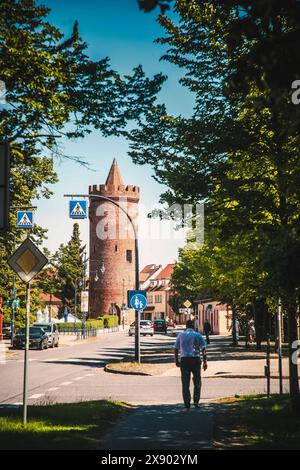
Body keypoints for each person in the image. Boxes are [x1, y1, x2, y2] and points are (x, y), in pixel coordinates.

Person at [174, 319, 208, 409]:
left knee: (185, 382)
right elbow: (204, 349)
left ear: (186, 326)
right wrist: (205, 362)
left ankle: (187, 403)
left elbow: (176, 348)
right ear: (193, 326)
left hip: (184, 360)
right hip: (195, 360)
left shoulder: (181, 335)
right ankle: (196, 401)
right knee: (197, 381)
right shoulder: (198, 335)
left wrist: (177, 361)